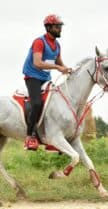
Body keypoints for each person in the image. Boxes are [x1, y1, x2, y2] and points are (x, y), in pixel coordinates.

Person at [22, 14, 72, 150]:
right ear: (49, 27)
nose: (60, 29)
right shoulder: (39, 42)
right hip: (33, 77)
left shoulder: (57, 45)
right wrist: (57, 67)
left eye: (60, 26)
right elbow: (37, 63)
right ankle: (29, 137)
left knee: (56, 103)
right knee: (37, 103)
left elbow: (59, 62)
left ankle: (52, 137)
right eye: (57, 26)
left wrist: (66, 69)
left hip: (45, 78)